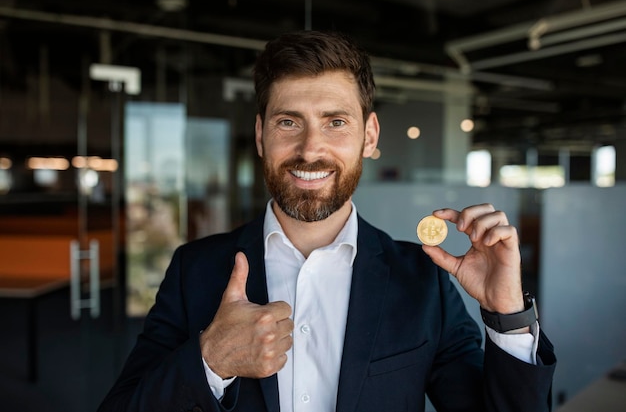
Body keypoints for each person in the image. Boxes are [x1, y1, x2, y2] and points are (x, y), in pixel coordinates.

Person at [98, 30, 556, 412]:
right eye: (288, 123)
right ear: (260, 135)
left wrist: (508, 315)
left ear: (369, 136)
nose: (311, 149)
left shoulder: (423, 280)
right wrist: (210, 361)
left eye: (336, 122)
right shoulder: (193, 270)